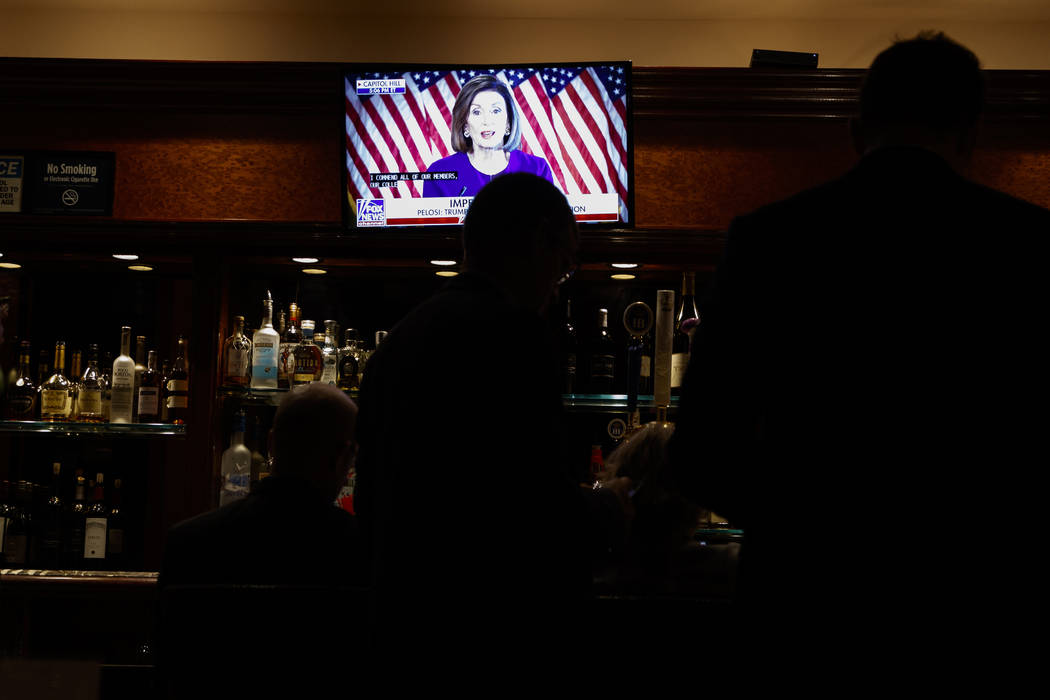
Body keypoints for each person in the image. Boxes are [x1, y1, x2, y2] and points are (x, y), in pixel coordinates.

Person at [667, 31, 1050, 660]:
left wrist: (805, 518)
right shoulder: (1032, 247)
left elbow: (701, 453)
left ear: (855, 128)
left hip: (807, 604)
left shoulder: (768, 241)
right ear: (971, 134)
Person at [355, 172, 616, 676]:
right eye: (563, 269)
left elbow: (374, 503)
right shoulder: (514, 333)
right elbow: (534, 506)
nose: (556, 291)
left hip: (400, 631)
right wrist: (614, 506)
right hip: (490, 638)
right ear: (541, 240)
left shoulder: (401, 338)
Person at [157, 383, 366, 694]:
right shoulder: (362, 549)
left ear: (271, 444)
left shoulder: (187, 542)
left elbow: (169, 671)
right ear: (343, 458)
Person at [422, 74, 555, 197]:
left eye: (495, 111)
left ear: (508, 122)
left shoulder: (536, 169)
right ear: (465, 125)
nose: (487, 121)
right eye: (477, 112)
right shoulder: (439, 173)